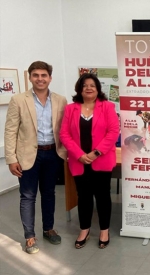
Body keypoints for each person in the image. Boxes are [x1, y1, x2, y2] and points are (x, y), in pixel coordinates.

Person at [4, 61, 67, 254]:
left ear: (50, 78)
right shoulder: (18, 100)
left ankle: (48, 229)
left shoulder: (60, 100)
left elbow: (64, 130)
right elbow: (10, 130)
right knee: (28, 196)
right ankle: (30, 237)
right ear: (30, 77)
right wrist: (11, 158)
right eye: (36, 75)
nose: (40, 79)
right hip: (27, 155)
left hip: (52, 154)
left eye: (44, 75)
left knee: (49, 194)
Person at [60, 73, 119, 249]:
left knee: (102, 196)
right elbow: (64, 134)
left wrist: (96, 153)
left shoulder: (107, 107)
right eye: (85, 85)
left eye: (92, 85)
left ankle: (104, 230)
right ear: (79, 88)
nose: (88, 88)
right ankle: (84, 229)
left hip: (101, 160)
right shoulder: (71, 109)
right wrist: (79, 154)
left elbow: (113, 131)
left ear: (98, 88)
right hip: (79, 161)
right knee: (83, 196)